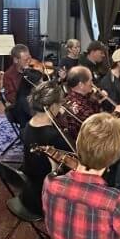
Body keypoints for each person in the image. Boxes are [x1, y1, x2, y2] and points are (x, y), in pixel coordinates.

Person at [60, 65, 120, 193]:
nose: (93, 84)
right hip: (91, 149)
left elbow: (95, 114)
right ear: (81, 84)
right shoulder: (78, 106)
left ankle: (112, 176)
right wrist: (116, 113)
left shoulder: (75, 97)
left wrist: (99, 99)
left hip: (91, 140)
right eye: (90, 81)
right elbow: (101, 129)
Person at [20, 82, 74, 214]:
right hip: (46, 194)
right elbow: (74, 161)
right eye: (60, 102)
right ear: (54, 105)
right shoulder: (54, 136)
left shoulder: (28, 125)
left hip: (30, 189)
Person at [3, 43, 43, 128]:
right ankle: (27, 134)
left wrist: (39, 74)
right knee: (22, 102)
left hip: (35, 103)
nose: (29, 61)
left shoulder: (32, 69)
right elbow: (11, 97)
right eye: (25, 60)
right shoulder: (8, 75)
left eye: (29, 58)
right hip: (19, 108)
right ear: (16, 60)